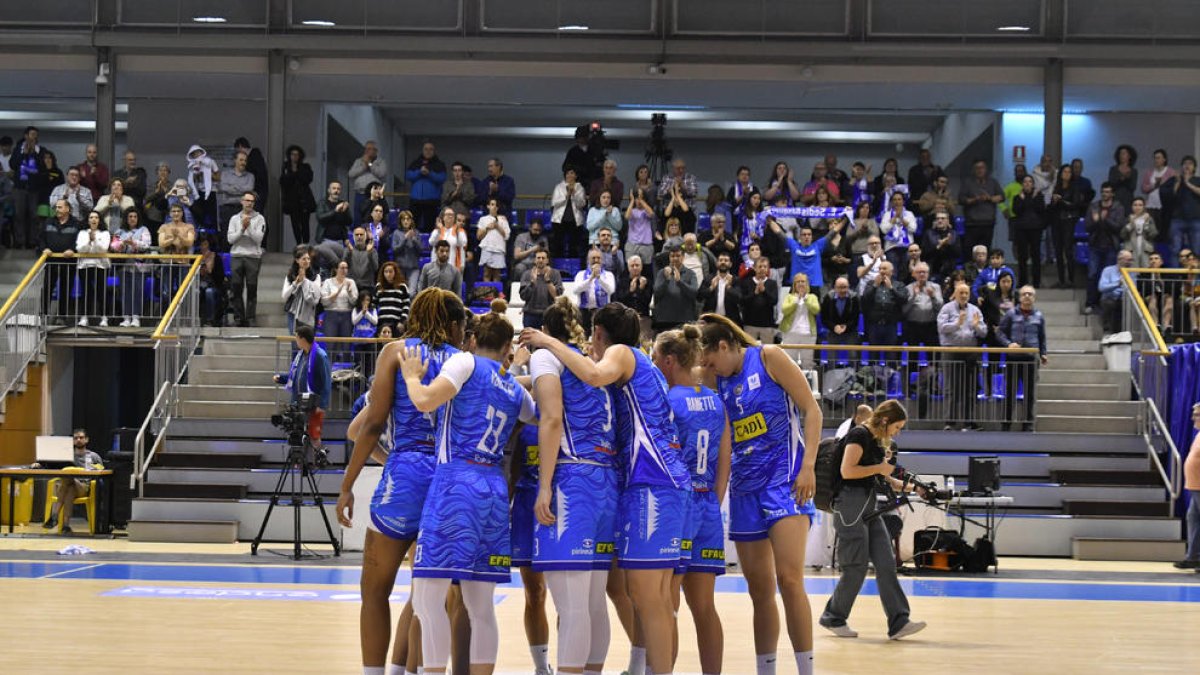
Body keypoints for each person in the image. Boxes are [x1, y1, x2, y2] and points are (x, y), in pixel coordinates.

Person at [521, 303, 691, 675]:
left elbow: (594, 375)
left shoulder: (621, 353)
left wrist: (547, 342)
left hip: (651, 482)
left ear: (599, 333)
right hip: (651, 482)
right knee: (654, 600)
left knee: (646, 601)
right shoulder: (645, 368)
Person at [336, 289, 466, 675]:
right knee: (428, 596)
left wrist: (347, 485)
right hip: (447, 480)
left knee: (374, 591)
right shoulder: (464, 361)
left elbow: (371, 424)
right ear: (454, 324)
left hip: (404, 476)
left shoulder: (394, 352)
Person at [403, 312, 536, 675]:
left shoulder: (465, 361)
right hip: (494, 489)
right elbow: (539, 415)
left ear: (473, 340)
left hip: (456, 484)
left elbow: (426, 401)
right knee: (481, 606)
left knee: (428, 599)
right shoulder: (513, 387)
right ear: (508, 349)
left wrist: (413, 378)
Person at [697, 313, 823, 675]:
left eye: (711, 361)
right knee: (759, 591)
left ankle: (805, 670)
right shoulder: (715, 377)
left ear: (725, 346)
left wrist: (809, 465)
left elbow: (812, 410)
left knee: (790, 580)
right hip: (744, 490)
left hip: (785, 481)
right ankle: (765, 669)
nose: (710, 369)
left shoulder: (769, 357)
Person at [528, 296, 619, 675]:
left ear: (545, 332)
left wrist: (545, 486)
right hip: (605, 482)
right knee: (594, 602)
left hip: (572, 481)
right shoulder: (592, 362)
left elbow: (551, 420)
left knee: (572, 604)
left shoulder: (545, 355)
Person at [653, 328, 732, 675]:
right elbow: (725, 461)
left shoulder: (667, 401)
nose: (654, 365)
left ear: (669, 361)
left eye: (656, 358)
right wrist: (712, 503)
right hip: (708, 506)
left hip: (677, 505)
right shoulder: (716, 400)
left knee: (666, 606)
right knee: (704, 608)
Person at [820, 400, 927, 640]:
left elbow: (885, 476)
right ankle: (833, 617)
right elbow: (848, 471)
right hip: (849, 505)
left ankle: (899, 621)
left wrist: (913, 488)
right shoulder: (859, 435)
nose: (897, 433)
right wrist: (880, 468)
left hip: (867, 504)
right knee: (855, 567)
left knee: (886, 562)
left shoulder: (876, 440)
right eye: (897, 427)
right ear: (886, 420)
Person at [938, 282, 987, 431]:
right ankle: (949, 422)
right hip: (951, 351)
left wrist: (976, 325)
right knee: (950, 388)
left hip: (970, 352)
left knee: (970, 388)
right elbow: (941, 328)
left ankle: (969, 421)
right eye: (961, 293)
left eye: (966, 293)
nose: (964, 296)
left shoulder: (975, 310)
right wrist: (957, 323)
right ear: (955, 293)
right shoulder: (946, 308)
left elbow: (984, 332)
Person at [998, 286, 1047, 431]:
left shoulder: (1039, 316)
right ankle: (1006, 424)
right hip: (1013, 359)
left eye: (1030, 294)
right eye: (1024, 294)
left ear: (1034, 298)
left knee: (1029, 394)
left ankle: (1028, 425)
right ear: (1019, 297)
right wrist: (1008, 344)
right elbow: (1000, 332)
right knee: (1010, 393)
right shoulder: (1011, 314)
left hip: (1031, 360)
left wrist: (1043, 353)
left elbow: (1042, 337)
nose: (1027, 296)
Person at [39, 428, 103, 533]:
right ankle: (66, 526)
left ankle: (54, 515)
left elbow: (102, 471)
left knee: (69, 479)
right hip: (70, 487)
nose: (78, 440)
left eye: (81, 437)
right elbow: (50, 465)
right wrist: (38, 464)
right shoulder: (67, 455)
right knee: (70, 488)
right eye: (76, 438)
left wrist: (94, 469)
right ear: (72, 441)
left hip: (84, 487)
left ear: (86, 440)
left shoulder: (93, 456)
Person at [1085, 183, 1126, 314]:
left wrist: (1105, 219)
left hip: (1111, 246)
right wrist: (1096, 221)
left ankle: (1104, 304)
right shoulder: (1094, 206)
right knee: (1092, 275)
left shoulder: (1118, 207)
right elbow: (1087, 227)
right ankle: (1091, 303)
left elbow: (1118, 227)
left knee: (1108, 277)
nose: (1105, 194)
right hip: (1095, 246)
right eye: (1103, 191)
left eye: (1108, 192)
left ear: (1112, 194)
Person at [227, 191, 265, 327]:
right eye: (246, 200)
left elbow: (258, 239)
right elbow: (230, 239)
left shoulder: (259, 219)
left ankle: (250, 317)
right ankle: (238, 318)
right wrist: (241, 229)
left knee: (252, 287)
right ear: (242, 201)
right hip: (237, 255)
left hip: (253, 257)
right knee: (236, 287)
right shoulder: (234, 219)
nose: (249, 203)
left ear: (254, 203)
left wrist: (248, 226)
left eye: (251, 201)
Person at [1047, 164, 1088, 288]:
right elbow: (1051, 206)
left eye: (1069, 172)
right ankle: (1061, 280)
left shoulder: (1074, 188)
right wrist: (1054, 201)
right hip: (1056, 221)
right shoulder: (1056, 187)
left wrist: (1061, 200)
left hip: (1069, 221)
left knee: (1068, 251)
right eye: (1064, 171)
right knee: (1058, 251)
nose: (1067, 174)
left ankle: (1070, 279)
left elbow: (1075, 205)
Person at [111, 208, 153, 328]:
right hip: (123, 266)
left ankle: (136, 317)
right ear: (126, 218)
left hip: (139, 266)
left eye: (135, 216)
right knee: (124, 292)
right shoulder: (119, 231)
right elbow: (113, 246)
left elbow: (146, 244)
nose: (132, 218)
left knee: (138, 292)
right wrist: (123, 243)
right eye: (130, 216)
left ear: (138, 218)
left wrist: (133, 242)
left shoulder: (143, 229)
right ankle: (126, 318)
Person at [9, 126, 49, 249]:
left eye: (36, 135)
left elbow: (43, 167)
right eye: (32, 134)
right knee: (19, 215)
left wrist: (34, 153)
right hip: (19, 187)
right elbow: (13, 165)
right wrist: (24, 155)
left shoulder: (41, 150)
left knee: (34, 216)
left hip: (34, 188)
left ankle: (32, 241)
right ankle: (20, 241)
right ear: (26, 136)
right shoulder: (18, 149)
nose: (34, 137)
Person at [40, 199, 79, 321]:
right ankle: (43, 315)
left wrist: (73, 250)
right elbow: (41, 238)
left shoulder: (76, 223)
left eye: (60, 207)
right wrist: (44, 248)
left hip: (68, 263)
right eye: (56, 207)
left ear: (68, 209)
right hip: (51, 262)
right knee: (47, 289)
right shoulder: (48, 221)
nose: (57, 209)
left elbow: (79, 241)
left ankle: (62, 316)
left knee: (66, 290)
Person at [1173, 403, 1200, 570]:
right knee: (1193, 519)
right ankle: (1194, 556)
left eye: (1196, 414)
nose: (1192, 418)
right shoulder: (1198, 435)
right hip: (1195, 485)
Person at [958, 159, 1004, 253]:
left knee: (985, 251)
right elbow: (961, 199)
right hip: (972, 224)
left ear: (986, 169)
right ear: (973, 170)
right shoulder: (967, 183)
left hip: (988, 223)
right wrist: (975, 199)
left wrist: (989, 198)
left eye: (982, 168)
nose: (980, 170)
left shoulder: (993, 182)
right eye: (977, 168)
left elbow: (1002, 197)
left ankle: (984, 268)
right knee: (970, 251)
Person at [861, 260, 908, 353]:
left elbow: (903, 300)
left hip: (891, 325)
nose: (881, 271)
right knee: (873, 354)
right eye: (880, 269)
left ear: (891, 271)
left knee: (891, 355)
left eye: (884, 268)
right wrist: (875, 286)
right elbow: (865, 299)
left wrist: (891, 288)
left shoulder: (899, 285)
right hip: (874, 324)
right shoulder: (871, 283)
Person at [75, 210, 112, 327]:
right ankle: (84, 317)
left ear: (99, 220)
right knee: (86, 292)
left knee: (102, 292)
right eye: (91, 217)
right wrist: (89, 241)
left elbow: (103, 249)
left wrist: (94, 240)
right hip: (84, 266)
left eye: (96, 217)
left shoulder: (105, 233)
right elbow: (80, 249)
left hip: (100, 266)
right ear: (88, 220)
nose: (94, 219)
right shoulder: (82, 233)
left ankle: (104, 318)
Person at [1009, 175, 1047, 288]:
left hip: (1035, 229)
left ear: (1033, 184)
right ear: (1022, 184)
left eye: (1030, 182)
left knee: (1036, 256)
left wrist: (1032, 199)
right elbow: (1017, 211)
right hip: (1021, 229)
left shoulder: (1039, 196)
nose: (1027, 184)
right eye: (1025, 182)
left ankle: (1036, 282)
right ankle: (1023, 281)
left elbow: (1040, 209)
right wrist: (1024, 199)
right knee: (1022, 257)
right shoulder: (1017, 197)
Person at [653, 243, 699, 332]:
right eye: (672, 256)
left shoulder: (691, 273)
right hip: (664, 320)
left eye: (678, 256)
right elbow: (657, 293)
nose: (675, 258)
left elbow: (694, 293)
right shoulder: (662, 273)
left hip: (684, 320)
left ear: (683, 257)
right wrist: (666, 280)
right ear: (669, 258)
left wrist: (679, 282)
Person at [1165, 155, 1200, 267]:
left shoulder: (1197, 180)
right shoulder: (1175, 180)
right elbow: (1170, 196)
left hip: (1195, 219)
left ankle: (1197, 279)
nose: (1187, 165)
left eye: (1190, 163)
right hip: (1177, 219)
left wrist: (1188, 182)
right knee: (1175, 249)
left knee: (1196, 249)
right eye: (1185, 163)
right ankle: (1175, 279)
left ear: (1194, 167)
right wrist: (1179, 182)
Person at [571, 249, 615, 334]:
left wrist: (599, 278)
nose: (596, 260)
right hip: (584, 312)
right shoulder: (580, 274)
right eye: (593, 258)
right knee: (583, 337)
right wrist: (590, 279)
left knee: (602, 337)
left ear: (602, 260)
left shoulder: (608, 275)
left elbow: (610, 290)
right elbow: (576, 290)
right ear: (588, 260)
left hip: (603, 312)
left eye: (598, 258)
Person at [780, 272, 820, 367]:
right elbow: (784, 310)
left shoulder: (812, 297)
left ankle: (808, 380)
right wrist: (796, 301)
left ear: (807, 284)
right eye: (798, 282)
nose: (801, 284)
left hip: (808, 334)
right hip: (790, 333)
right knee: (789, 362)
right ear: (794, 284)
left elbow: (816, 310)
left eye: (803, 281)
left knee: (807, 362)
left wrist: (805, 299)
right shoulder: (789, 297)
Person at [405, 141, 446, 232]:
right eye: (426, 149)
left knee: (430, 227)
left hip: (431, 201)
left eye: (430, 149)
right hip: (415, 200)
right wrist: (419, 172)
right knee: (412, 226)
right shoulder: (415, 163)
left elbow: (442, 178)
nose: (428, 151)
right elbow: (408, 176)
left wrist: (429, 174)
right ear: (422, 150)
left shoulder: (439, 164)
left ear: (434, 151)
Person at [280, 145, 317, 245]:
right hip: (292, 201)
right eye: (292, 154)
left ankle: (305, 243)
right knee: (295, 224)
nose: (295, 157)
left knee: (305, 224)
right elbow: (283, 182)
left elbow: (308, 179)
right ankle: (298, 244)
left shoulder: (305, 167)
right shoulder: (285, 167)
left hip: (304, 200)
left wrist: (297, 171)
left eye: (297, 154)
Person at [315, 181, 354, 274]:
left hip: (340, 241)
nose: (336, 191)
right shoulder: (322, 203)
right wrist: (335, 211)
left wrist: (345, 211)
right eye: (334, 188)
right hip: (325, 240)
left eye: (338, 189)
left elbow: (349, 222)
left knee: (337, 270)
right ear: (329, 190)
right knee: (325, 267)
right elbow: (320, 218)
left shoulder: (343, 204)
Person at [740, 257, 779, 344]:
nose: (762, 269)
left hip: (767, 324)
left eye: (765, 267)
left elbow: (774, 301)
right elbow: (742, 301)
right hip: (749, 323)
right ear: (754, 268)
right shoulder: (746, 282)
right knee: (749, 350)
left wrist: (764, 291)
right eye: (760, 266)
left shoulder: (772, 283)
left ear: (768, 269)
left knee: (767, 352)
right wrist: (755, 293)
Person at [282, 246, 322, 333]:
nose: (307, 261)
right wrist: (295, 283)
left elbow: (313, 299)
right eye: (304, 259)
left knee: (307, 344)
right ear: (297, 260)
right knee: (295, 343)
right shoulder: (290, 275)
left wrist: (304, 281)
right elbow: (284, 296)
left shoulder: (316, 277)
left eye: (308, 259)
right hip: (293, 313)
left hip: (309, 314)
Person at [349, 141, 388, 226]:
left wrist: (370, 164)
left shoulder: (381, 162)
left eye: (370, 149)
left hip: (374, 196)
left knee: (373, 218)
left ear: (375, 151)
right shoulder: (358, 161)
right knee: (358, 218)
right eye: (367, 149)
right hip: (360, 194)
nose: (368, 151)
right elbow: (351, 174)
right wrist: (363, 166)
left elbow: (381, 174)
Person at [613, 255, 653, 339]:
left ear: (641, 267)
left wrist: (641, 289)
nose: (635, 268)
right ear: (628, 267)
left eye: (637, 265)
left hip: (643, 317)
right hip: (626, 318)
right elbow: (619, 300)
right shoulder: (622, 282)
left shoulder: (647, 282)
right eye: (632, 265)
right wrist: (630, 291)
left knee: (645, 342)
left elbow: (648, 301)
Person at [903, 263, 942, 347]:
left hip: (930, 325)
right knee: (913, 356)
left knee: (932, 355)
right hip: (913, 326)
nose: (922, 274)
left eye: (924, 272)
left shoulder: (936, 287)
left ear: (928, 274)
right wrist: (913, 296)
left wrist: (933, 296)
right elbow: (904, 310)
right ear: (914, 274)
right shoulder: (908, 288)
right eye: (919, 272)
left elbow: (940, 308)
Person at [552, 167, 587, 258]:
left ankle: (573, 265)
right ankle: (558, 265)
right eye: (568, 173)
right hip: (559, 220)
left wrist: (574, 194)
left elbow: (582, 204)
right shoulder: (559, 187)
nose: (569, 175)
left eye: (572, 173)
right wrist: (566, 196)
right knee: (558, 245)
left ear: (576, 175)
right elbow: (554, 203)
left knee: (574, 246)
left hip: (575, 221)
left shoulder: (580, 188)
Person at [700, 252, 743, 326]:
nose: (723, 262)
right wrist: (711, 288)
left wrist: (729, 288)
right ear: (717, 263)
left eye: (726, 260)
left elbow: (740, 299)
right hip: (711, 319)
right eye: (720, 260)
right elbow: (699, 297)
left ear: (730, 264)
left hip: (730, 320)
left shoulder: (735, 280)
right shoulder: (709, 278)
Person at [1098, 250, 1135, 336]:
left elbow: (1133, 288)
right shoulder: (1108, 270)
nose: (1130, 262)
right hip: (1110, 297)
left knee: (1127, 305)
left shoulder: (1132, 272)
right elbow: (1102, 287)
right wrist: (1118, 284)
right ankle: (1107, 331)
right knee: (1109, 303)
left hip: (1124, 299)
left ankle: (1123, 333)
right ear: (1120, 260)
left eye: (1131, 260)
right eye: (1128, 260)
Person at [185, 144, 220, 229]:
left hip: (211, 191)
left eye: (197, 152)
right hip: (200, 192)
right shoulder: (192, 165)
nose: (196, 155)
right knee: (198, 211)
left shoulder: (210, 162)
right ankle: (203, 231)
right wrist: (197, 173)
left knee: (212, 215)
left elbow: (218, 177)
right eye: (194, 154)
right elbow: (192, 181)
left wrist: (207, 173)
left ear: (201, 152)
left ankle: (213, 235)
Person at [195, 232, 226, 327]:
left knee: (209, 292)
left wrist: (210, 270)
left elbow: (220, 277)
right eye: (201, 244)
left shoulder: (216, 258)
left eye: (205, 244)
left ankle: (210, 320)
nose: (203, 247)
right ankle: (196, 320)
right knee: (197, 291)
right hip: (198, 283)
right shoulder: (195, 257)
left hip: (213, 284)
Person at [218, 151, 256, 228]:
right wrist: (242, 190)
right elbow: (223, 187)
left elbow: (249, 189)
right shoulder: (225, 174)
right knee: (226, 236)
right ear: (235, 160)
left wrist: (232, 187)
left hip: (244, 210)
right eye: (241, 160)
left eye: (245, 160)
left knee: (243, 236)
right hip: (227, 210)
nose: (243, 162)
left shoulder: (250, 176)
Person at [1141, 149, 1176, 233]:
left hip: (1164, 205)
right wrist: (1154, 185)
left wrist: (1163, 184)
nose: (1156, 160)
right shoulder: (1149, 172)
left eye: (1158, 158)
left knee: (1163, 228)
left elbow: (1173, 188)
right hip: (1151, 205)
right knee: (1151, 229)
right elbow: (1143, 188)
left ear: (1164, 159)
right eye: (1155, 158)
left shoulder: (1171, 172)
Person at [322, 260, 358, 340]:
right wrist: (338, 291)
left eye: (346, 268)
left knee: (346, 344)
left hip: (347, 314)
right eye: (342, 268)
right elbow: (324, 301)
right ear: (336, 269)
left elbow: (354, 302)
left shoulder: (351, 282)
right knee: (331, 343)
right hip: (331, 314)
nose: (344, 270)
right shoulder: (328, 282)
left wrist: (349, 293)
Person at [476, 198, 510, 283]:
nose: (494, 207)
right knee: (487, 272)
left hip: (499, 249)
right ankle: (486, 294)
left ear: (498, 208)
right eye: (492, 204)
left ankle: (496, 294)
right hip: (487, 248)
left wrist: (497, 226)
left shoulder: (503, 219)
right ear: (488, 206)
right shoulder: (483, 219)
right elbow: (479, 236)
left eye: (495, 205)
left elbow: (506, 236)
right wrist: (487, 228)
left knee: (497, 274)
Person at [820, 276, 861, 346]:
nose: (842, 290)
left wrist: (846, 327)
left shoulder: (854, 298)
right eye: (839, 287)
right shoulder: (828, 298)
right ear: (835, 287)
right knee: (831, 356)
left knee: (853, 355)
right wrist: (834, 327)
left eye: (844, 287)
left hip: (850, 330)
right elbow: (824, 318)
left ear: (848, 287)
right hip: (833, 330)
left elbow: (855, 319)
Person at [1122, 197, 1158, 269]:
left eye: (1140, 205)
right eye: (1135, 205)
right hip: (1131, 249)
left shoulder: (1149, 218)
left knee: (1146, 271)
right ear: (1132, 207)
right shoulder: (1128, 218)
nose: (1137, 207)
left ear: (1144, 207)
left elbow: (1153, 234)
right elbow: (1122, 235)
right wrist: (1131, 224)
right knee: (1132, 272)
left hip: (1145, 249)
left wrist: (1146, 224)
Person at [429, 207, 468, 271]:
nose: (450, 216)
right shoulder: (437, 231)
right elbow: (431, 242)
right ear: (443, 217)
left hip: (453, 267)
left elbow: (462, 244)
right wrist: (439, 230)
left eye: (452, 214)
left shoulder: (460, 231)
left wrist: (457, 232)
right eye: (448, 214)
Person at [512, 218, 549, 282]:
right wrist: (532, 250)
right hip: (523, 264)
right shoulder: (521, 237)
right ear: (530, 228)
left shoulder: (543, 239)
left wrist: (542, 251)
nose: (537, 232)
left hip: (537, 264)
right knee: (519, 268)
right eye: (535, 230)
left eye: (539, 230)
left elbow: (547, 256)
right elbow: (516, 256)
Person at [1108, 144, 1138, 212]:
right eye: (1120, 154)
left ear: (1129, 156)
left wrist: (1126, 180)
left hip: (1128, 200)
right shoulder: (1113, 169)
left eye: (1124, 153)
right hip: (1115, 199)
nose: (1121, 156)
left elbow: (1133, 187)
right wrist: (1121, 179)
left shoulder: (1133, 171)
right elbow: (1111, 184)